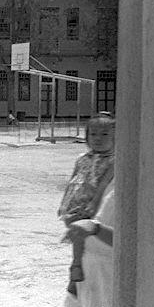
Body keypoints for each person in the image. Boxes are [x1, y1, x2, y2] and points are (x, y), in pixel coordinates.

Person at [54, 178, 117, 307]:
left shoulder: (146, 178)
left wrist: (96, 228)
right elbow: (82, 225)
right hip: (86, 268)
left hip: (109, 272)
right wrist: (75, 268)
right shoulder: (106, 172)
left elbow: (137, 241)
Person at [58, 112, 115, 296]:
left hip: (90, 204)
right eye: (93, 134)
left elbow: (104, 184)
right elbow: (73, 179)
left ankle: (75, 269)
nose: (98, 139)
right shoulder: (82, 158)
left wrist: (94, 203)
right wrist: (64, 203)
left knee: (81, 236)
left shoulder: (113, 160)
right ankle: (75, 268)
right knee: (76, 233)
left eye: (104, 134)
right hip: (75, 203)